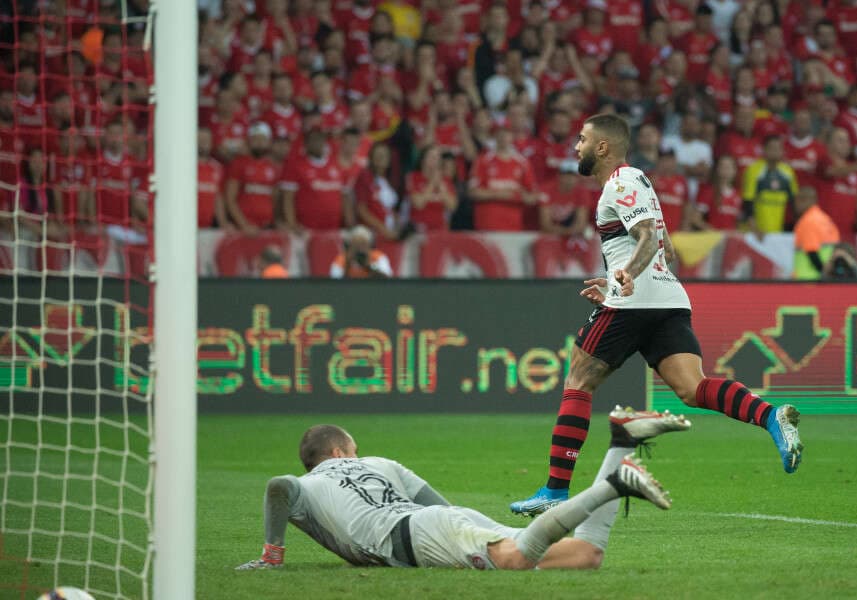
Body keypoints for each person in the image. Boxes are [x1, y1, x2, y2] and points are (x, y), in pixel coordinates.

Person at [510, 114, 803, 517]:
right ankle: (770, 417)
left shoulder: (620, 182)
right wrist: (616, 282)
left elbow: (647, 236)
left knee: (578, 378)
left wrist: (626, 278)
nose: (575, 147)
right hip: (668, 299)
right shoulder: (639, 183)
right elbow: (667, 249)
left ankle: (555, 492)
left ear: (602, 147)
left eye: (581, 140)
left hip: (636, 300)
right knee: (692, 387)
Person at [236, 413, 685, 571]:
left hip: (418, 535)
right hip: (437, 522)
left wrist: (273, 553)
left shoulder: (308, 485)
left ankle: (613, 485)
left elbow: (279, 486)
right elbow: (439, 505)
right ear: (339, 450)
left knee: (513, 560)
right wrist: (464, 530)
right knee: (585, 555)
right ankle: (622, 443)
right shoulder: (381, 464)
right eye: (353, 449)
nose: (358, 455)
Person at [741, 135, 799, 236]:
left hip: (780, 231)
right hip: (758, 232)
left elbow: (794, 202)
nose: (775, 151)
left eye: (778, 148)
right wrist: (754, 227)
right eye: (772, 148)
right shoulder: (754, 170)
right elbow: (747, 202)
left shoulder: (788, 172)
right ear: (764, 150)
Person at [793, 186, 840, 280]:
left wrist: (823, 272)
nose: (795, 204)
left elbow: (811, 251)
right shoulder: (826, 219)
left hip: (807, 278)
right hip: (825, 277)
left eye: (798, 200)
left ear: (808, 200)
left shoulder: (807, 221)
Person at [329, 225, 393, 279]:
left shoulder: (378, 257)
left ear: (369, 246)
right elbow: (335, 283)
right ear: (350, 246)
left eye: (363, 245)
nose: (360, 249)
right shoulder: (342, 259)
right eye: (356, 245)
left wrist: (369, 267)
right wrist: (348, 263)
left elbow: (387, 279)